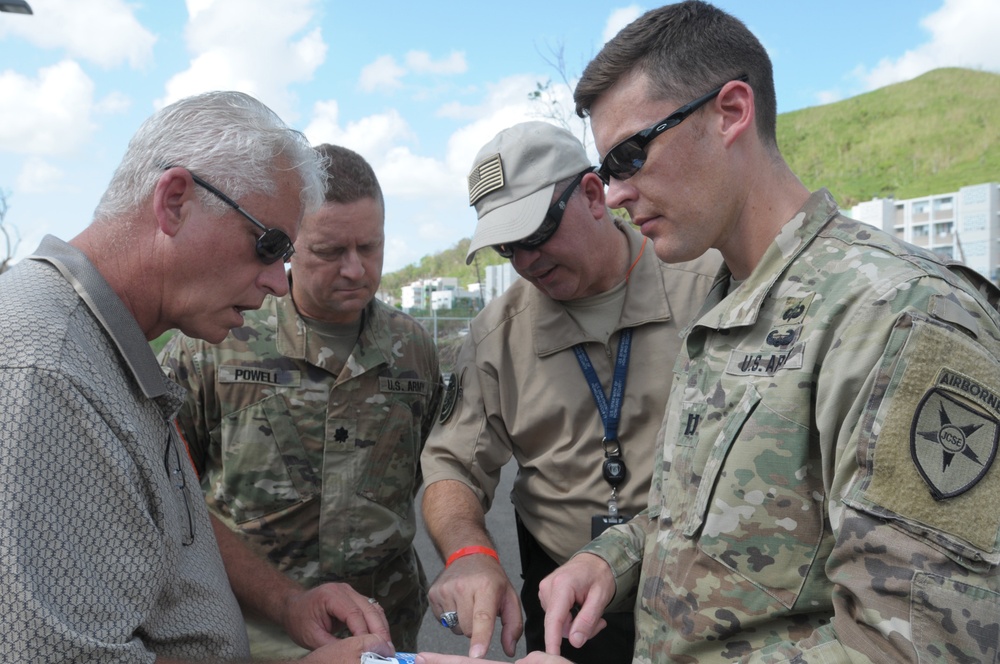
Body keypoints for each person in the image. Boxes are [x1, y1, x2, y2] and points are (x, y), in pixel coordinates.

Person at [417, 2, 1000, 663]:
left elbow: (922, 646)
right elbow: (711, 518)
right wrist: (612, 558)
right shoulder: (733, 306)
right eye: (609, 169)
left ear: (731, 113)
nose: (615, 195)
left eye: (631, 156)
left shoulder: (901, 316)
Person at [0, 90, 395, 662]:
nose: (279, 283)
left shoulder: (103, 348)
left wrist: (285, 603)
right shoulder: (47, 373)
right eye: (270, 246)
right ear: (176, 201)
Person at [419, 121, 721, 662]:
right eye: (509, 248)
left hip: (706, 583)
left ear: (591, 194)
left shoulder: (710, 285)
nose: (527, 261)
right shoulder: (496, 335)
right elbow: (452, 465)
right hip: (568, 597)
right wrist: (468, 552)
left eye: (537, 234)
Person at [160, 143, 442, 657]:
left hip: (383, 631)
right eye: (330, 252)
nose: (355, 270)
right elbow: (173, 492)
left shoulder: (414, 348)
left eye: (370, 248)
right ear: (290, 245)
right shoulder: (217, 340)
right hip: (253, 633)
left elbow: (425, 464)